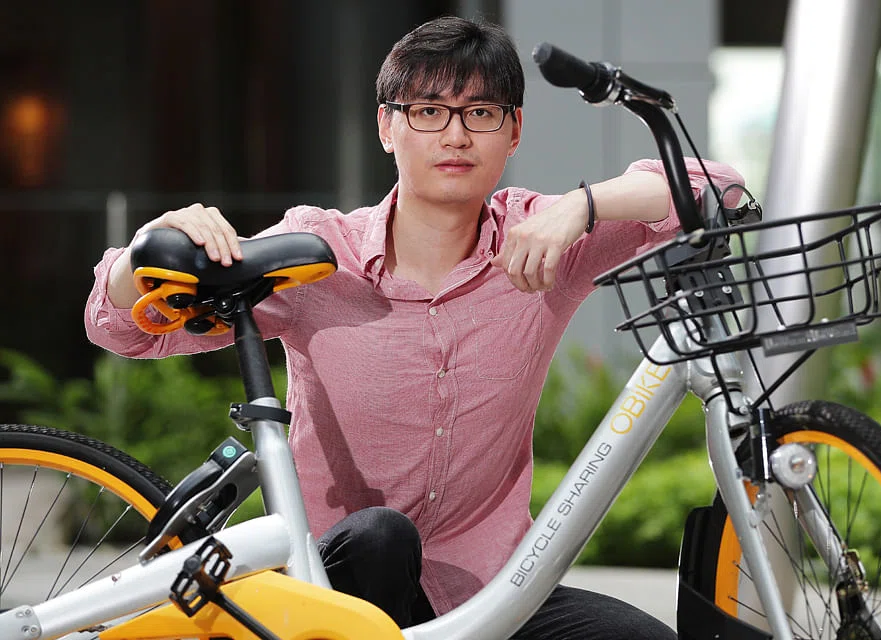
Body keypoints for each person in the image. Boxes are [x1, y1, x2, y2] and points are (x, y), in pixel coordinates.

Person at [86, 15, 743, 640]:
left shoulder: (544, 241)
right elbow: (127, 331)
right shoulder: (320, 251)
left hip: (489, 593)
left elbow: (722, 191)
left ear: (514, 130)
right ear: (386, 127)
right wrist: (149, 247)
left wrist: (584, 204)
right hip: (339, 588)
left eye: (480, 113)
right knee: (383, 537)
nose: (455, 136)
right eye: (428, 112)